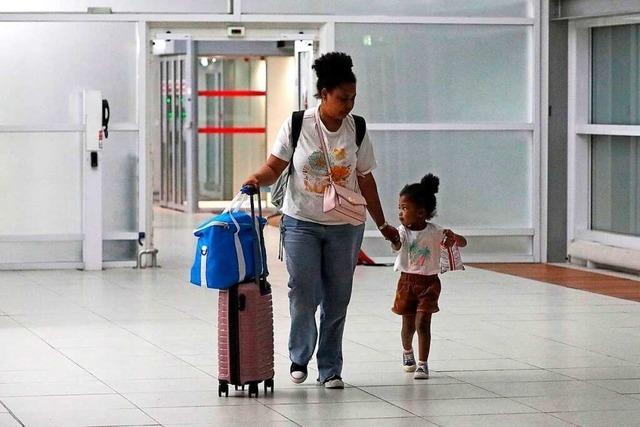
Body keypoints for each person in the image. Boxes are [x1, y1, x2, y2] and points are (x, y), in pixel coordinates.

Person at [243, 52, 399, 389]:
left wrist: (383, 223)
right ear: (324, 93)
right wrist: (257, 178)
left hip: (346, 225)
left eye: (353, 98)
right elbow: (275, 166)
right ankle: (300, 355)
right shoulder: (299, 124)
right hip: (302, 222)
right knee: (303, 291)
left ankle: (330, 368)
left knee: (337, 297)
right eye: (343, 98)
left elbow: (366, 177)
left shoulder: (356, 127)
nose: (348, 105)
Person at [391, 173, 467, 379]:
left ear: (421, 212)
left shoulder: (435, 231)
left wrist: (454, 237)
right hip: (407, 282)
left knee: (423, 322)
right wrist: (393, 240)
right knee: (408, 325)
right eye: (399, 208)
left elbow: (463, 242)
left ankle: (423, 364)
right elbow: (396, 244)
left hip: (429, 283)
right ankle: (408, 351)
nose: (400, 213)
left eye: (405, 208)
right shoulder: (402, 231)